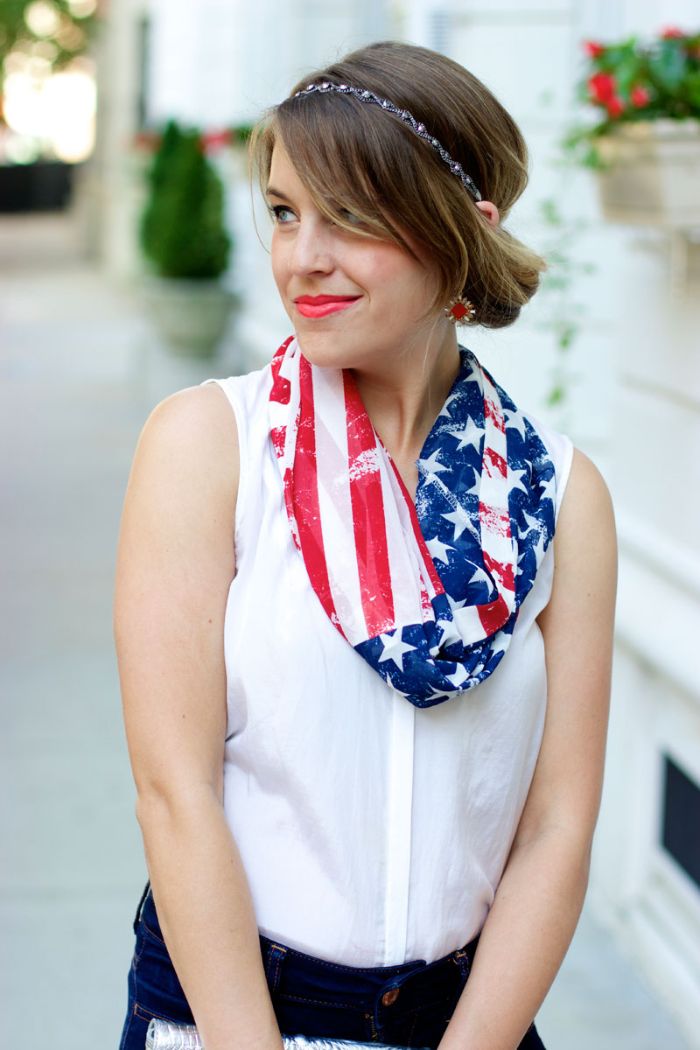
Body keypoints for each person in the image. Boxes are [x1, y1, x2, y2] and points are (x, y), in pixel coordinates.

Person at [114, 40, 617, 1050]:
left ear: (459, 235)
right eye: (286, 212)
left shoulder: (557, 496)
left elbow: (557, 828)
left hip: (467, 1022)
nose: (303, 257)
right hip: (232, 1019)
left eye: (351, 216)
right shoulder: (213, 448)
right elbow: (176, 794)